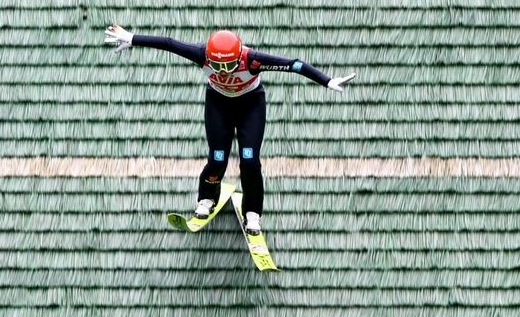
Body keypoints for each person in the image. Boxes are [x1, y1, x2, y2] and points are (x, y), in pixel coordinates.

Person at [103, 24, 356, 235]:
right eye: (217, 67)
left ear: (238, 58)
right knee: (217, 158)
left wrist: (327, 81)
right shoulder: (202, 55)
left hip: (250, 106)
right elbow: (169, 43)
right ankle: (206, 198)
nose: (223, 72)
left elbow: (294, 65)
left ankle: (253, 213)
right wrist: (132, 38)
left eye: (228, 67)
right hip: (219, 105)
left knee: (249, 160)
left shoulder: (252, 59)